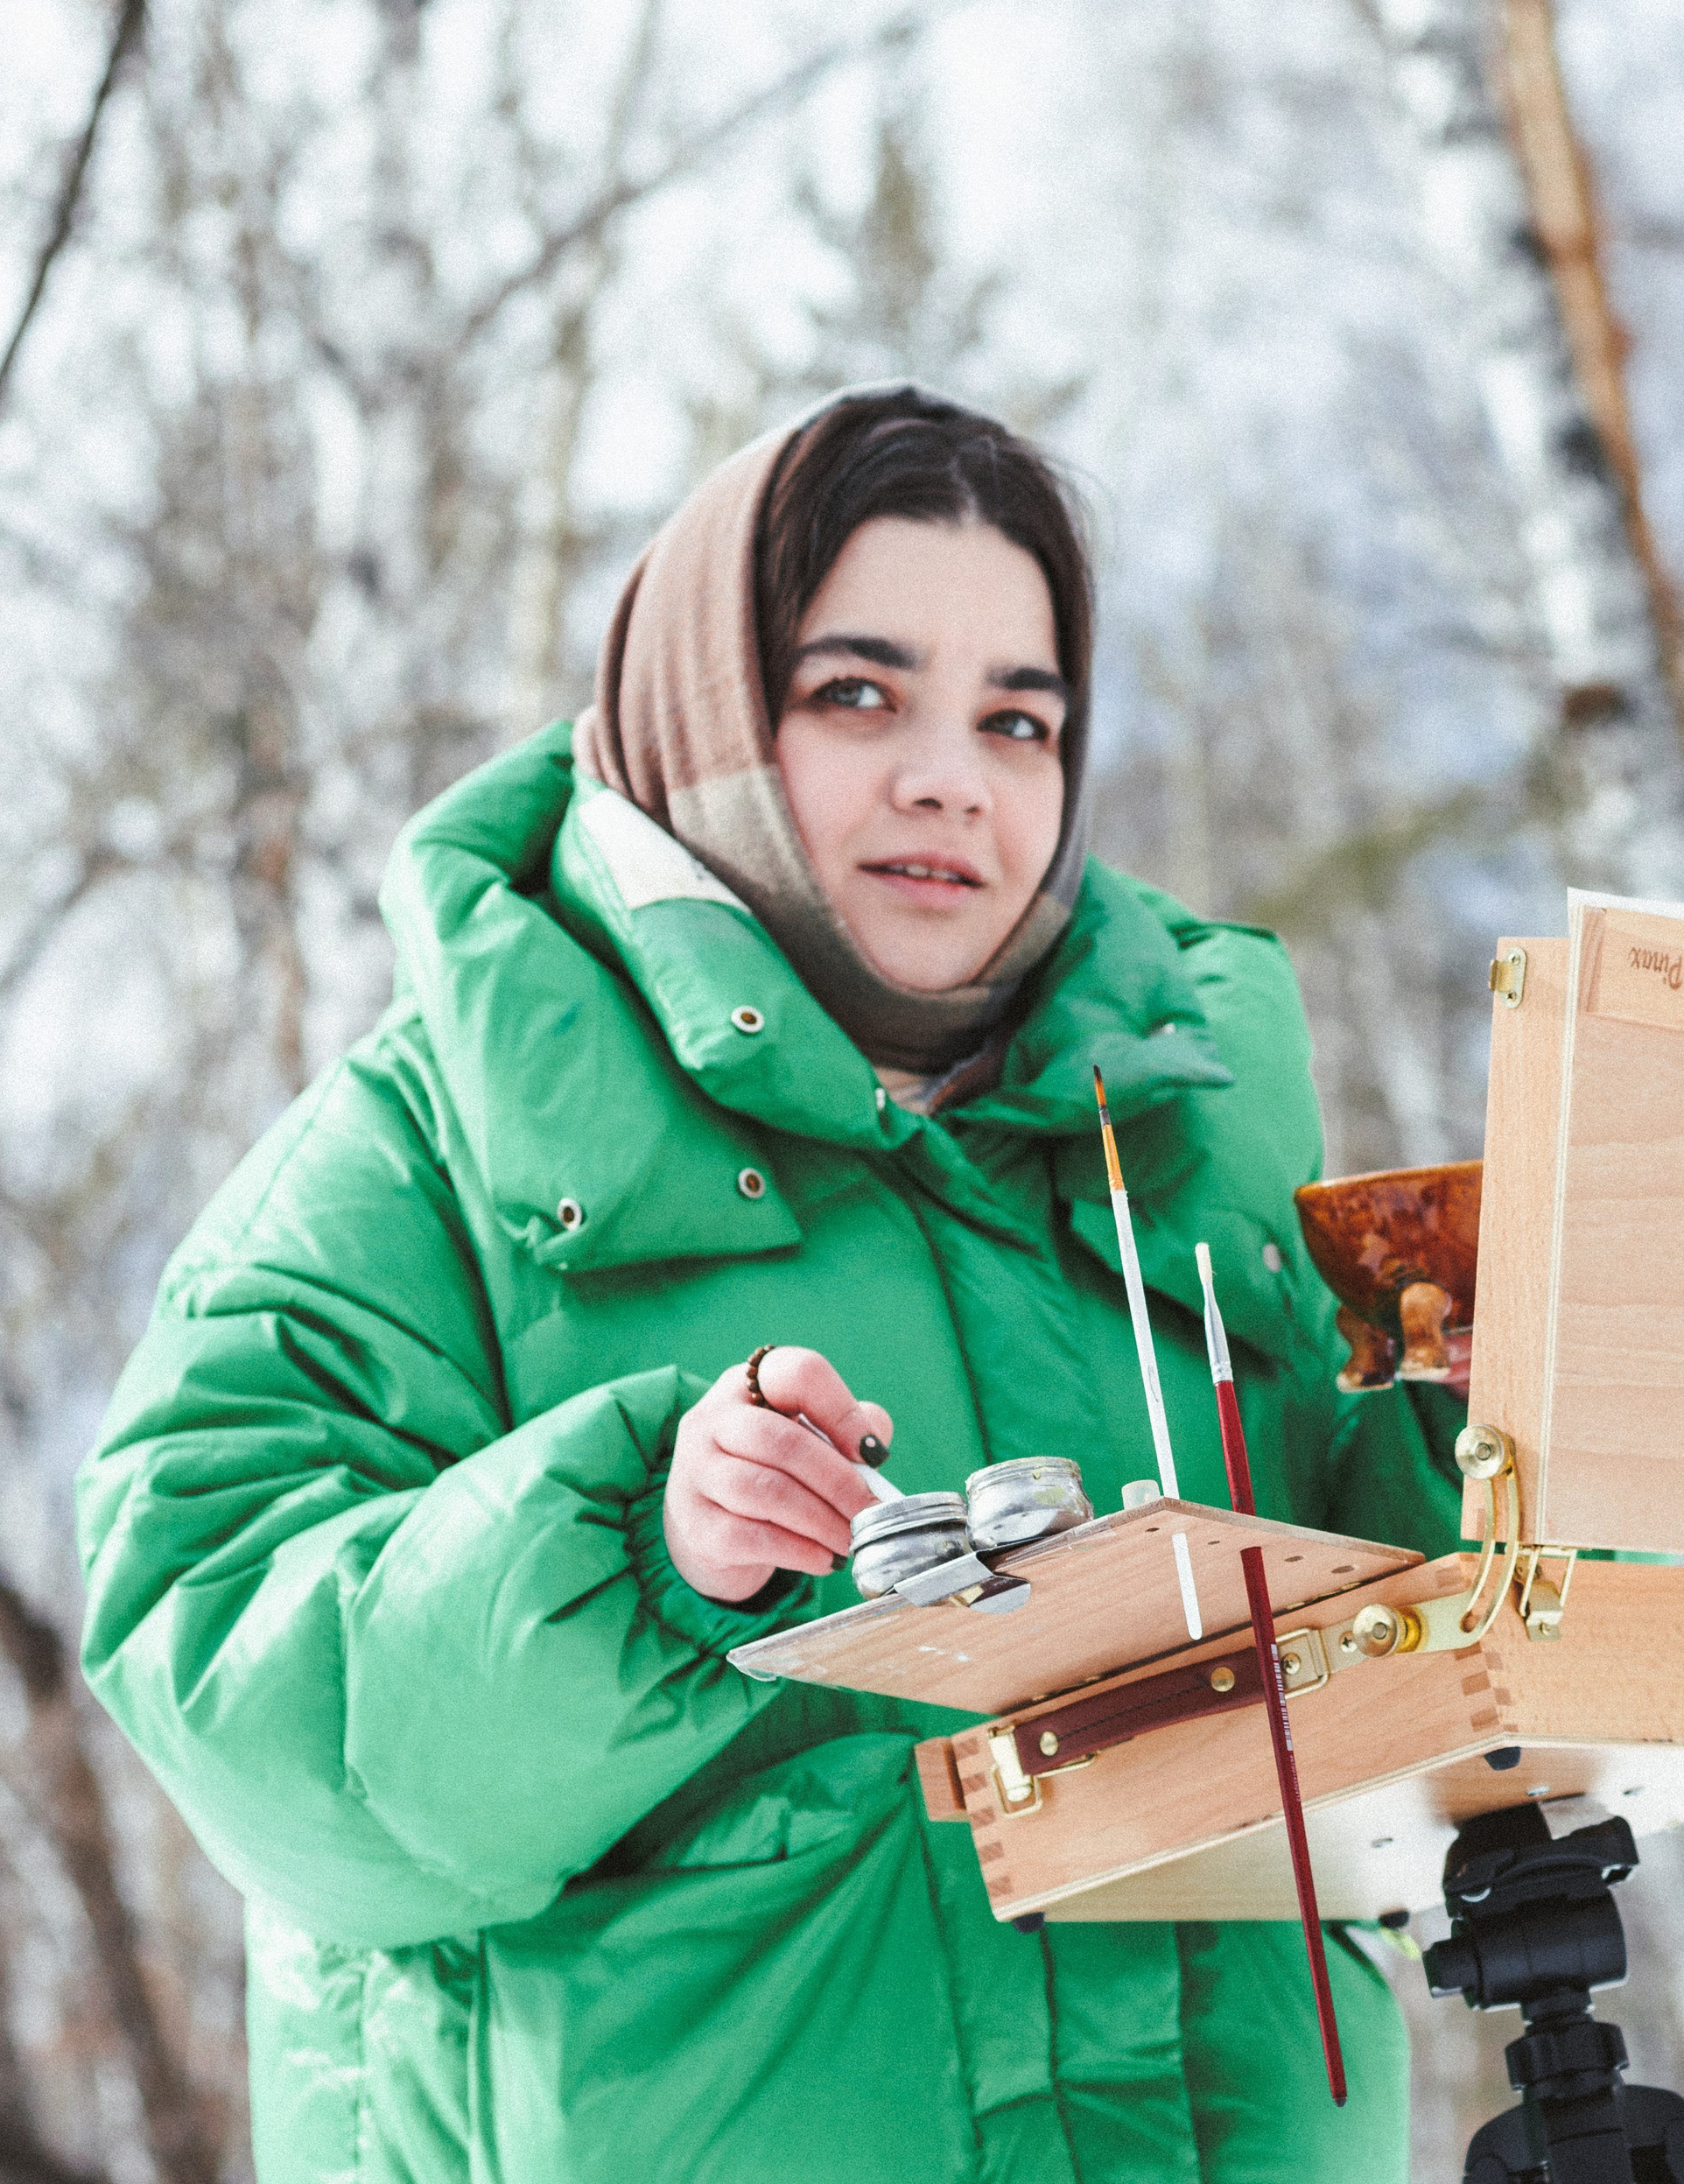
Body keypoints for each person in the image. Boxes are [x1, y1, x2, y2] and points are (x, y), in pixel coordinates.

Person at [78, 384, 1467, 2183]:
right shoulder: (430, 1140)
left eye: (1017, 718)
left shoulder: (1172, 1140)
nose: (950, 776)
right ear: (706, 709)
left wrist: (1509, 1428)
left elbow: (1390, 1655)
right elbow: (232, 1686)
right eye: (858, 694)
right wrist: (634, 1562)